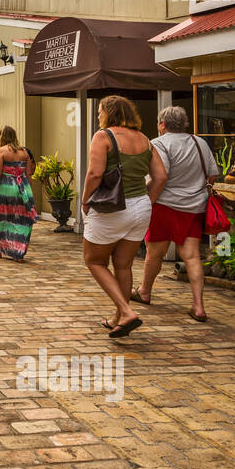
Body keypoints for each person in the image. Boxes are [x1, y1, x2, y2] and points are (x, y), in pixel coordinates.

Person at [80, 95, 168, 339]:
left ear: (109, 112)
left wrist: (85, 199)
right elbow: (160, 177)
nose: (98, 116)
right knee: (123, 264)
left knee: (94, 261)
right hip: (141, 207)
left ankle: (127, 311)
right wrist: (145, 201)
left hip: (111, 207)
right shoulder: (145, 140)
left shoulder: (103, 136)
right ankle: (118, 317)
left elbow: (95, 174)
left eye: (99, 111)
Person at [132, 105, 219, 322]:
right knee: (192, 256)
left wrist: (147, 202)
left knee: (155, 253)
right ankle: (198, 306)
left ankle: (144, 291)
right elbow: (213, 175)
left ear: (162, 124)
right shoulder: (200, 142)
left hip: (164, 206)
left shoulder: (159, 144)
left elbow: (160, 176)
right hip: (194, 207)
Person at [0, 126, 38, 261]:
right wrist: (29, 193)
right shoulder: (25, 152)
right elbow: (28, 174)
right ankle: (18, 253)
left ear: (2, 136)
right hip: (22, 189)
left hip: (4, 188)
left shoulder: (0, 151)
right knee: (20, 220)